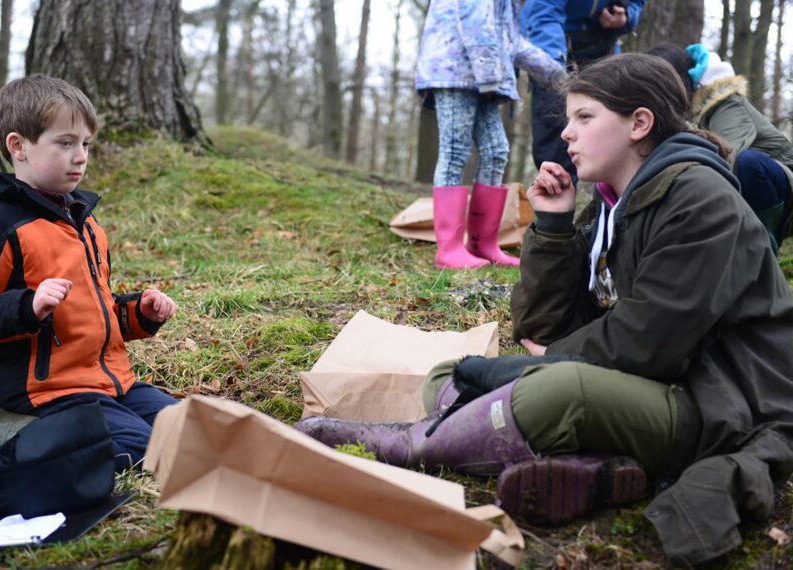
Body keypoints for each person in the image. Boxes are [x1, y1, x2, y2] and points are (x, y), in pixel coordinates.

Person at [295, 54, 793, 565]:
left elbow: (643, 344)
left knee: (551, 389)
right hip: (660, 383)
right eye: (568, 120)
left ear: (639, 123)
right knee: (451, 374)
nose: (568, 135)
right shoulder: (612, 203)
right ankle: (600, 468)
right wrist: (553, 227)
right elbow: (541, 326)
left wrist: (537, 361)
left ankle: (409, 446)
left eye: (585, 118)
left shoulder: (699, 200)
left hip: (723, 403)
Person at [0, 76, 179, 481]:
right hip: (48, 392)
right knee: (140, 453)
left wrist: (138, 314)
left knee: (190, 433)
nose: (80, 157)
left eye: (85, 144)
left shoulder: (84, 221)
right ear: (18, 146)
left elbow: (92, 309)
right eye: (65, 143)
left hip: (114, 382)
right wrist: (28, 307)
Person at [415, 0, 564, 269]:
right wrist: (492, 78)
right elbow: (476, 24)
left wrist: (559, 76)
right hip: (454, 69)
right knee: (455, 150)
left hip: (484, 77)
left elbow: (511, 41)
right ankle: (448, 250)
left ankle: (482, 244)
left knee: (496, 152)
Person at [647, 43, 793, 254]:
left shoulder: (726, 103)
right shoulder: (680, 114)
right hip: (751, 195)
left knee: (747, 164)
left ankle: (761, 253)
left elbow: (728, 158)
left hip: (783, 195)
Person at [521, 0, 645, 181]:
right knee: (555, 128)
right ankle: (556, 195)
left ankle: (608, 198)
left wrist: (626, 16)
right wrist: (554, 69)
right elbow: (544, 13)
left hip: (602, 45)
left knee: (612, 124)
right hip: (553, 40)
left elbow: (636, 3)